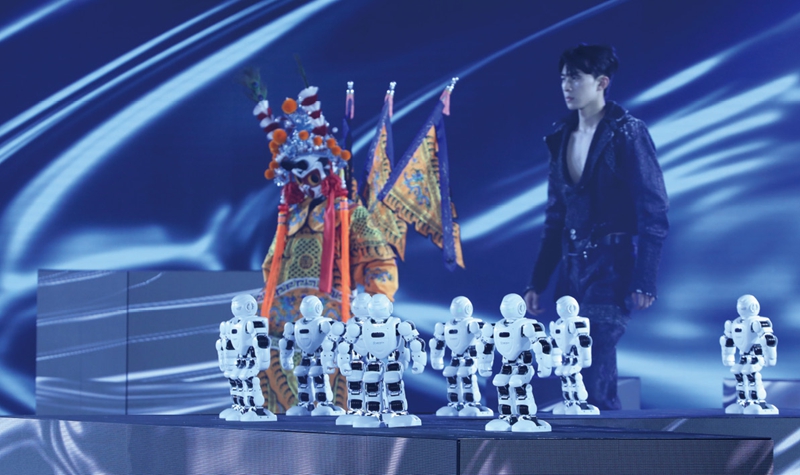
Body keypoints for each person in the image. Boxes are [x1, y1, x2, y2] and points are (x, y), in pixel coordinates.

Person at [524, 44, 669, 410]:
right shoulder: (560, 136)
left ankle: (603, 428)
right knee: (570, 358)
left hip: (611, 262)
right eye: (563, 78)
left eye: (575, 77)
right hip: (572, 265)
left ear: (602, 82)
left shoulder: (627, 133)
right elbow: (556, 214)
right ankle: (585, 430)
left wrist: (644, 277)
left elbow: (652, 207)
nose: (566, 86)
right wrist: (538, 281)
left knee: (595, 352)